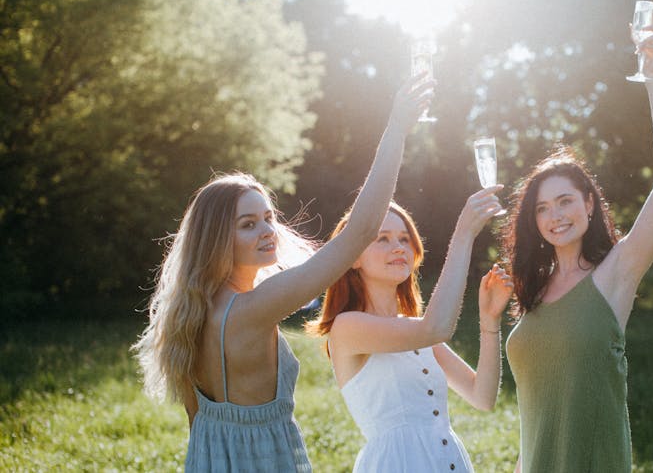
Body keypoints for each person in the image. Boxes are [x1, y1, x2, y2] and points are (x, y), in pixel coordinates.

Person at [131, 74, 434, 472]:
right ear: (217, 237)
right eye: (248, 224)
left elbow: (196, 423)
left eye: (268, 217)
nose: (267, 231)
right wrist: (396, 130)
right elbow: (359, 233)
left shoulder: (194, 309)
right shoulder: (251, 307)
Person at [503, 16, 653, 472]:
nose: (555, 216)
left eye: (565, 202)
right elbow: (536, 407)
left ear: (589, 205)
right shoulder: (534, 289)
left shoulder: (617, 271)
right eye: (542, 208)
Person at [306, 191, 514, 473]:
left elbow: (483, 397)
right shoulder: (347, 327)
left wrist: (489, 321)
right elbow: (436, 327)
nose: (399, 247)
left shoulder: (416, 330)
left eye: (404, 239)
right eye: (383, 238)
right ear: (354, 258)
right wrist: (464, 233)